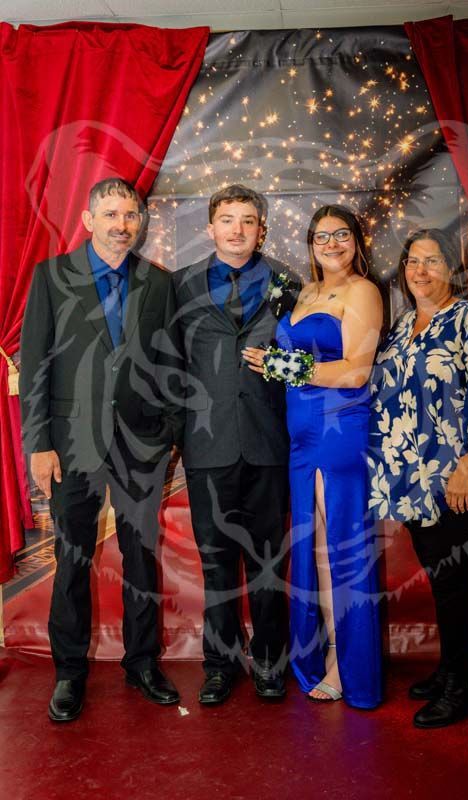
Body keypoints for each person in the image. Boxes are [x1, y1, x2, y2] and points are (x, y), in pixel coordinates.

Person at [20, 178, 182, 722]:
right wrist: (38, 445)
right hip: (70, 446)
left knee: (141, 557)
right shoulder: (51, 277)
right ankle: (69, 673)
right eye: (110, 213)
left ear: (139, 222)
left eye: (130, 215)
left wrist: (169, 435)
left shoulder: (157, 284)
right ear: (88, 220)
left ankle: (142, 663)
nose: (121, 224)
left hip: (142, 446)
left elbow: (171, 365)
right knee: (72, 560)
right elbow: (36, 362)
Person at [244, 205, 384, 707]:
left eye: (341, 234)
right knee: (319, 554)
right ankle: (332, 655)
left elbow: (355, 372)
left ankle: (351, 669)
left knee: (340, 551)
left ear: (356, 240)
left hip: (337, 430)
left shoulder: (363, 291)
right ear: (310, 243)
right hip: (300, 436)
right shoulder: (302, 292)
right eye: (321, 236)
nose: (331, 243)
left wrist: (285, 365)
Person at [368, 228, 468, 728]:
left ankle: (461, 689)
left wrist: (466, 468)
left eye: (431, 262)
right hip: (416, 478)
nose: (420, 272)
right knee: (442, 578)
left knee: (454, 583)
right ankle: (449, 670)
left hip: (458, 478)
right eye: (412, 262)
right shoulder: (405, 325)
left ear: (453, 268)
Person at [173, 184, 302, 705]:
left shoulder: (288, 283)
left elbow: (308, 355)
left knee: (270, 561)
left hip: (270, 440)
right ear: (211, 227)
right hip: (207, 445)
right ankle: (221, 664)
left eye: (248, 220)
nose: (237, 230)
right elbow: (170, 364)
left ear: (261, 228)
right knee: (216, 562)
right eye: (227, 219)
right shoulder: (181, 285)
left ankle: (271, 659)